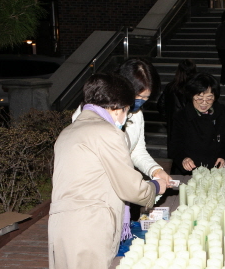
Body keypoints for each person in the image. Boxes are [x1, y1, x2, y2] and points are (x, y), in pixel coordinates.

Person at [49, 73, 167, 269]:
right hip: (89, 227)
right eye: (126, 111)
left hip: (64, 227)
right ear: (117, 107)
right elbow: (131, 188)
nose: (126, 119)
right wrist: (157, 186)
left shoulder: (69, 131)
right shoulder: (106, 132)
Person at [72, 58, 172, 187]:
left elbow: (137, 151)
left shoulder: (137, 115)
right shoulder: (90, 114)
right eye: (137, 96)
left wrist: (155, 170)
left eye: (145, 98)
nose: (139, 101)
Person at [169, 73, 225, 175]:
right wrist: (183, 158)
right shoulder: (181, 116)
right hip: (190, 170)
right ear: (191, 96)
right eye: (199, 98)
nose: (204, 103)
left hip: (215, 169)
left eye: (209, 98)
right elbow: (175, 144)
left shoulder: (221, 111)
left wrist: (223, 156)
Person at [156, 59, 197, 157]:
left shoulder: (171, 87)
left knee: (176, 154)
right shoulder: (195, 88)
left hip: (174, 124)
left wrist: (168, 118)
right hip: (192, 125)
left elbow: (160, 104)